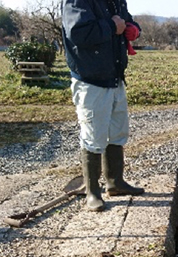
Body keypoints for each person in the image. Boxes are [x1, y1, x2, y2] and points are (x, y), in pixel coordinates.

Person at [62, 0, 144, 212]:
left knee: (118, 131)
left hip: (114, 75)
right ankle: (92, 192)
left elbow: (124, 20)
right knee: (93, 136)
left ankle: (115, 182)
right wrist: (112, 26)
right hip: (91, 80)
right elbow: (78, 32)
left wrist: (133, 29)